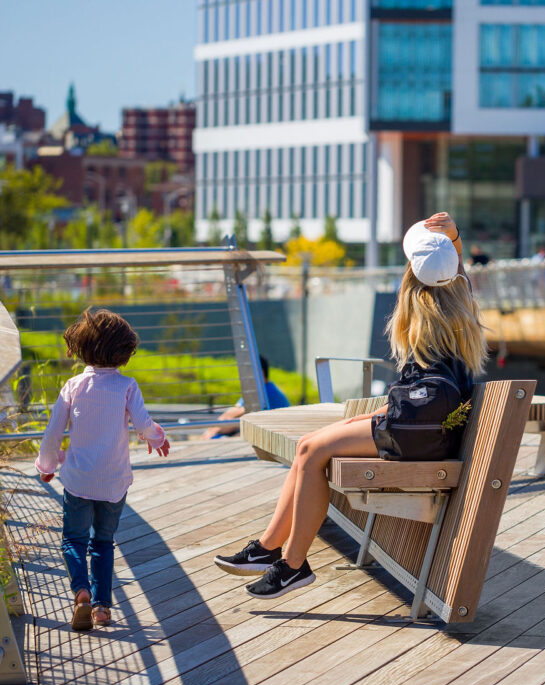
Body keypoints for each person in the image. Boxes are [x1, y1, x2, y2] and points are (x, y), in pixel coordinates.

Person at [213, 212, 485, 599]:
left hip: (418, 430)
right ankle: (270, 547)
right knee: (312, 442)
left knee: (313, 448)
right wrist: (453, 238)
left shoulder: (421, 308)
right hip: (424, 425)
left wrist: (450, 241)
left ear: (411, 272)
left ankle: (290, 563)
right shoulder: (459, 303)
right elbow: (452, 273)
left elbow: (417, 388)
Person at [35, 309, 171, 631]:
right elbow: (142, 423)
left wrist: (47, 465)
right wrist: (157, 437)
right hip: (114, 482)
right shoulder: (127, 386)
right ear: (124, 353)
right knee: (103, 543)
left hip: (78, 479)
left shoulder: (73, 386)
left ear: (83, 348)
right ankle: (102, 608)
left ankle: (81, 591)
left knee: (74, 540)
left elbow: (54, 432)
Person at [201, 355, 290, 440]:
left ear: (260, 373)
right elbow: (234, 411)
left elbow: (236, 415)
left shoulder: (266, 392)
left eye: (247, 372)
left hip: (270, 438)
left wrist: (211, 432)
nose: (244, 377)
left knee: (221, 438)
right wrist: (212, 431)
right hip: (262, 435)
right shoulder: (261, 389)